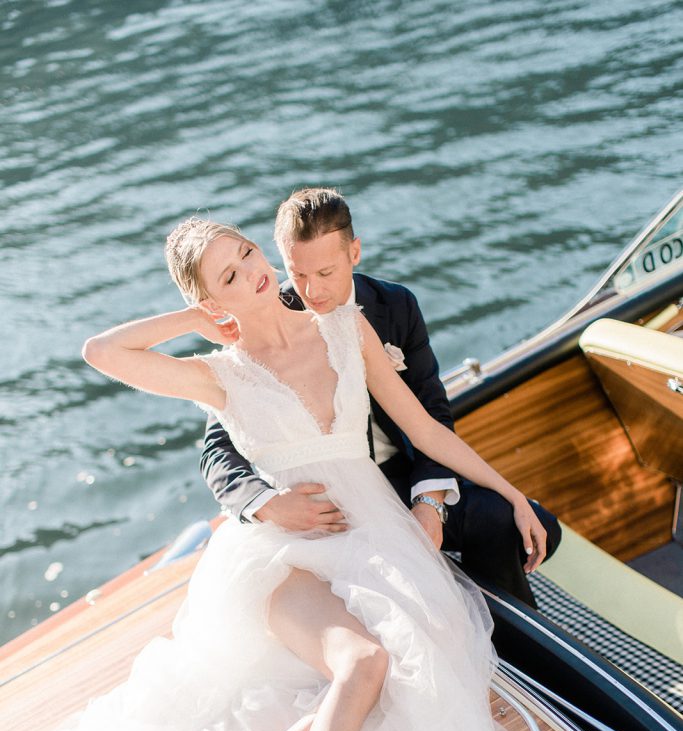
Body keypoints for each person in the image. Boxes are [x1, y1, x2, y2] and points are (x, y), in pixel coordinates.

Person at [36, 216, 545, 731]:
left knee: (421, 666)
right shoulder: (216, 372)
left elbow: (420, 428)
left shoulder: (346, 329)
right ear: (210, 301)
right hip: (278, 559)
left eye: (246, 255)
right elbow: (100, 354)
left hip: (373, 537)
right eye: (227, 278)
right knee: (367, 663)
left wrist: (508, 494)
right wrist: (192, 321)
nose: (251, 275)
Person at [200, 187, 561, 608]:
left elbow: (430, 413)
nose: (311, 292)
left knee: (516, 523)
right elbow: (216, 451)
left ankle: (508, 625)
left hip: (402, 472)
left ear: (354, 252)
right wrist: (268, 504)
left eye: (326, 273)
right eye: (297, 275)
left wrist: (429, 502)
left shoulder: (395, 305)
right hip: (330, 503)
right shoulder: (267, 323)